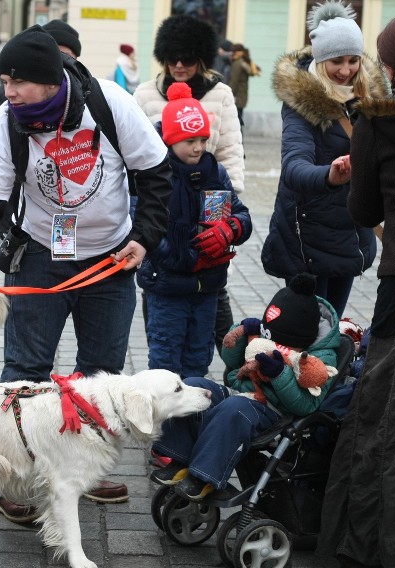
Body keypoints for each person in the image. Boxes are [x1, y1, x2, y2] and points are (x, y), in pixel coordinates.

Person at [0, 25, 172, 522]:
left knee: (101, 374)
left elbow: (156, 175)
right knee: (23, 374)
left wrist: (143, 239)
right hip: (40, 254)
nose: (6, 91)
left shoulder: (109, 103)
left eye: (16, 81)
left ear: (49, 81)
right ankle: (12, 478)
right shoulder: (7, 119)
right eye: (3, 80)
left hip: (112, 260)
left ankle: (80, 472)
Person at [317, 14, 395, 568]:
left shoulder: (378, 119)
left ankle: (387, 543)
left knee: (394, 412)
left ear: (391, 63)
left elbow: (364, 209)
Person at [150, 273, 341, 501]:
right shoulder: (265, 333)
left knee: (234, 409)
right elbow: (232, 363)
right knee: (192, 385)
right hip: (243, 391)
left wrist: (279, 375)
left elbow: (307, 405)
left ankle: (204, 475)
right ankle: (178, 455)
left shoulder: (320, 359)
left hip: (273, 410)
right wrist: (240, 336)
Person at [261, 0, 386, 318]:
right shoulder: (302, 103)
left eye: (352, 60)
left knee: (332, 332)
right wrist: (329, 175)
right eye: (336, 62)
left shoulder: (369, 99)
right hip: (309, 239)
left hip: (351, 231)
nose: (346, 70)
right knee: (309, 337)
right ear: (320, 59)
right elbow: (293, 166)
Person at [133, 14, 244, 356]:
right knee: (160, 284)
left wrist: (228, 206)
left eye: (188, 58)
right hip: (162, 200)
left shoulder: (221, 93)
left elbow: (228, 149)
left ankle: (231, 364)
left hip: (209, 198)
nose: (179, 65)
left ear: (201, 58)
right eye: (172, 58)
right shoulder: (145, 93)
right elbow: (133, 150)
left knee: (212, 289)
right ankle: (163, 358)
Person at [137, 82, 252, 379]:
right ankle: (165, 425)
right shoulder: (155, 174)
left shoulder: (214, 172)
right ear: (170, 140)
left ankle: (193, 423)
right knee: (165, 362)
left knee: (199, 361)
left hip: (207, 289)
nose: (199, 147)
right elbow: (144, 229)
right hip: (168, 289)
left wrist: (230, 229)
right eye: (190, 140)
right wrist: (186, 259)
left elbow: (241, 215)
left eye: (202, 139)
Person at [0, 19, 82, 159]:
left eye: (65, 57)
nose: (58, 64)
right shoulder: (9, 97)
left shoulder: (92, 96)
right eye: (53, 57)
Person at [228, 43, 259, 138]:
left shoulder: (237, 63)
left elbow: (234, 81)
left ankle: (238, 142)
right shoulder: (243, 62)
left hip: (236, 97)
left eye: (234, 51)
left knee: (236, 122)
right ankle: (239, 141)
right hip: (242, 96)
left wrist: (229, 95)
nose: (233, 53)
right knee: (238, 120)